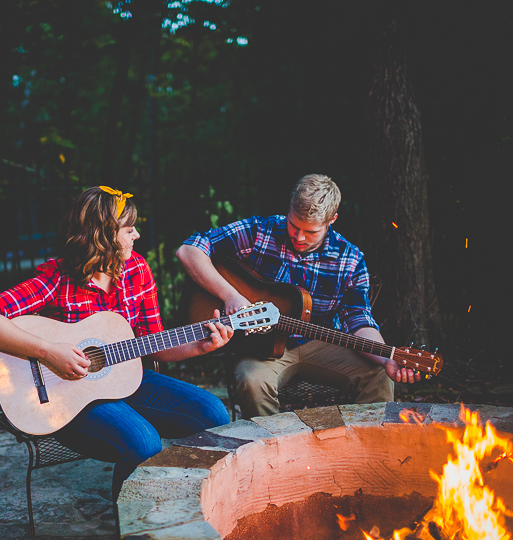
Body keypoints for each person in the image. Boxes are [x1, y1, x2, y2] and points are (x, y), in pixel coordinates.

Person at [0, 186, 232, 498]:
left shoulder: (137, 270)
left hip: (127, 379)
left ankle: (195, 503)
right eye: (129, 229)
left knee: (214, 414)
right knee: (143, 441)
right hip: (66, 398)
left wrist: (200, 346)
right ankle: (133, 529)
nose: (136, 236)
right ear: (104, 235)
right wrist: (49, 352)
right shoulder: (57, 278)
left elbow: (153, 342)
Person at [176, 174, 421, 418]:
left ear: (332, 220)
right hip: (261, 348)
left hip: (322, 344)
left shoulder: (350, 259)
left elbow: (359, 321)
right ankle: (268, 450)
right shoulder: (261, 232)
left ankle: (367, 450)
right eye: (294, 225)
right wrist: (231, 295)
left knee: (378, 377)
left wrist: (388, 356)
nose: (299, 237)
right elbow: (189, 250)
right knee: (252, 382)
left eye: (311, 231)